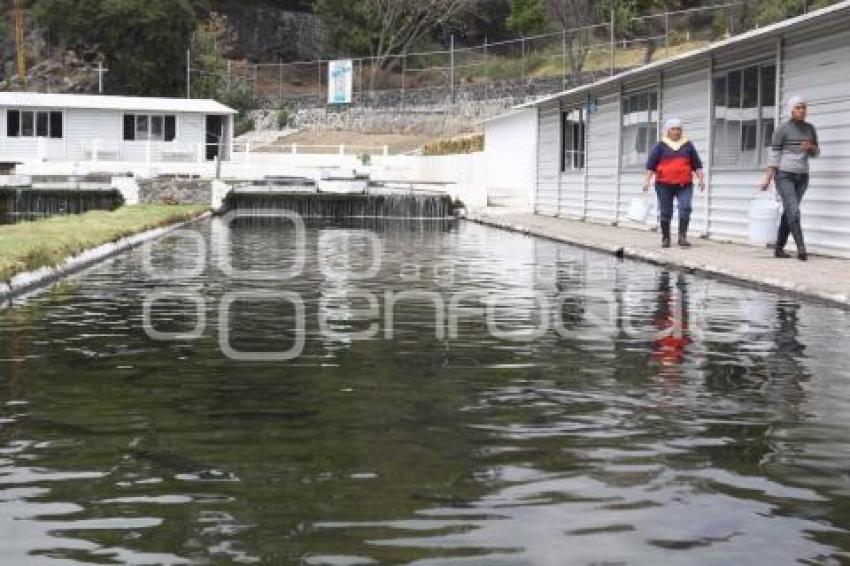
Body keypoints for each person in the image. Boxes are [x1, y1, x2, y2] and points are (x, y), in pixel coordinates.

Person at [759, 95, 819, 261]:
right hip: (784, 175)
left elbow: (816, 153)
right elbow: (774, 154)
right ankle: (801, 248)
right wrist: (767, 178)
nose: (801, 110)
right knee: (794, 211)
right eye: (798, 107)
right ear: (791, 109)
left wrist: (811, 147)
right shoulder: (782, 129)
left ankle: (779, 248)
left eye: (803, 107)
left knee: (789, 212)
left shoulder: (810, 129)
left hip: (802, 176)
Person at [643, 118, 706, 248]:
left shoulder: (688, 145)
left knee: (685, 208)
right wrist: (647, 181)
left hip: (684, 184)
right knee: (666, 211)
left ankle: (682, 237)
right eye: (673, 129)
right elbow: (651, 166)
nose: (676, 132)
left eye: (679, 129)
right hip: (663, 184)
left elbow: (697, 164)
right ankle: (666, 238)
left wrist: (701, 179)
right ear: (668, 131)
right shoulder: (660, 146)